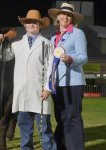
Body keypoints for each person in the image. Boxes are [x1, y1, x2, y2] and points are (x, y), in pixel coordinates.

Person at [0, 10, 57, 150]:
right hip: (22, 92)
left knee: (44, 128)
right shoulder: (16, 45)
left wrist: (48, 87)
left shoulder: (46, 44)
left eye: (35, 22)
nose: (31, 24)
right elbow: (2, 57)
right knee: (25, 130)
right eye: (28, 22)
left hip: (41, 93)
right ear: (24, 26)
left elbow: (52, 68)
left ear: (40, 26)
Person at [47, 2, 88, 150]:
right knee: (61, 118)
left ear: (72, 19)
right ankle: (62, 146)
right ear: (58, 16)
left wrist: (71, 59)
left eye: (69, 15)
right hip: (57, 83)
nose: (65, 17)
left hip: (74, 82)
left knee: (73, 118)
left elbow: (84, 57)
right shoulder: (53, 38)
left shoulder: (78, 33)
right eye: (63, 14)